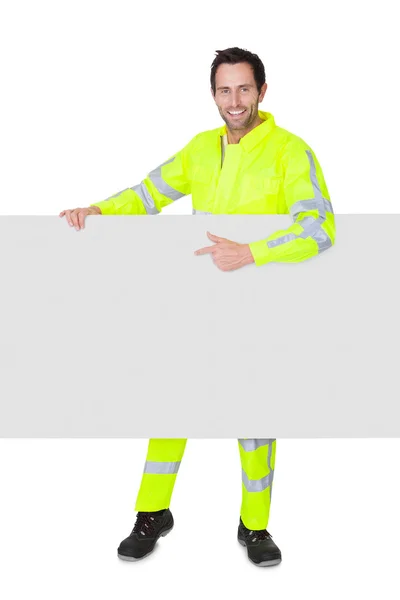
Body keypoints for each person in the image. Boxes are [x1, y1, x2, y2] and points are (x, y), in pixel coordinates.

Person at [60, 47, 336, 567]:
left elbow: (320, 230)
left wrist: (252, 252)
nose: (234, 101)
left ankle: (254, 526)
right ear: (213, 94)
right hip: (201, 307)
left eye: (244, 89)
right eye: (224, 90)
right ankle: (152, 514)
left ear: (262, 91)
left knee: (254, 417)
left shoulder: (290, 152)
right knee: (172, 405)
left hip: (260, 309)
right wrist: (97, 209)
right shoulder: (200, 150)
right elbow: (148, 194)